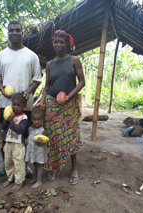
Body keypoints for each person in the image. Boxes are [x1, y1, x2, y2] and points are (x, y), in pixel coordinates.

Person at [34, 30, 85, 184]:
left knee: (71, 136)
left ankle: (74, 168)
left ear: (66, 44)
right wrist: (42, 101)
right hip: (52, 104)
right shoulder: (50, 64)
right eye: (56, 42)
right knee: (53, 136)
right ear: (53, 44)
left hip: (68, 105)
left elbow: (82, 82)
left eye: (61, 42)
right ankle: (54, 167)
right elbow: (47, 86)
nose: (58, 45)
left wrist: (69, 96)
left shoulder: (74, 60)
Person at [0, 20, 42, 177]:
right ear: (8, 32)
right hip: (6, 104)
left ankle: (24, 165)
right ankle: (6, 166)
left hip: (25, 106)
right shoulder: (1, 55)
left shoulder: (31, 56)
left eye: (17, 30)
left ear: (22, 33)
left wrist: (28, 91)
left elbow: (37, 79)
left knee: (23, 137)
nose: (14, 32)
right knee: (6, 136)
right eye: (11, 30)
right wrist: (3, 90)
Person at [2, 93, 29, 191]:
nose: (15, 107)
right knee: (8, 162)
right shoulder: (9, 115)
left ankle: (19, 181)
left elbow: (20, 130)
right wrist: (5, 121)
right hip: (8, 143)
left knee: (18, 163)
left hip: (18, 144)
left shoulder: (24, 118)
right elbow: (3, 128)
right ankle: (10, 178)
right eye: (14, 104)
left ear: (24, 106)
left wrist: (11, 121)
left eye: (18, 105)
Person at [25, 107, 47, 188]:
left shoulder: (43, 130)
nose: (36, 122)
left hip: (39, 152)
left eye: (39, 120)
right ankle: (36, 178)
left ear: (42, 120)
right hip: (33, 151)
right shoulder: (30, 129)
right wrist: (26, 139)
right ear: (31, 119)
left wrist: (41, 140)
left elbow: (45, 140)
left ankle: (39, 181)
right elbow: (28, 137)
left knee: (39, 165)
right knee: (34, 164)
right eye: (34, 120)